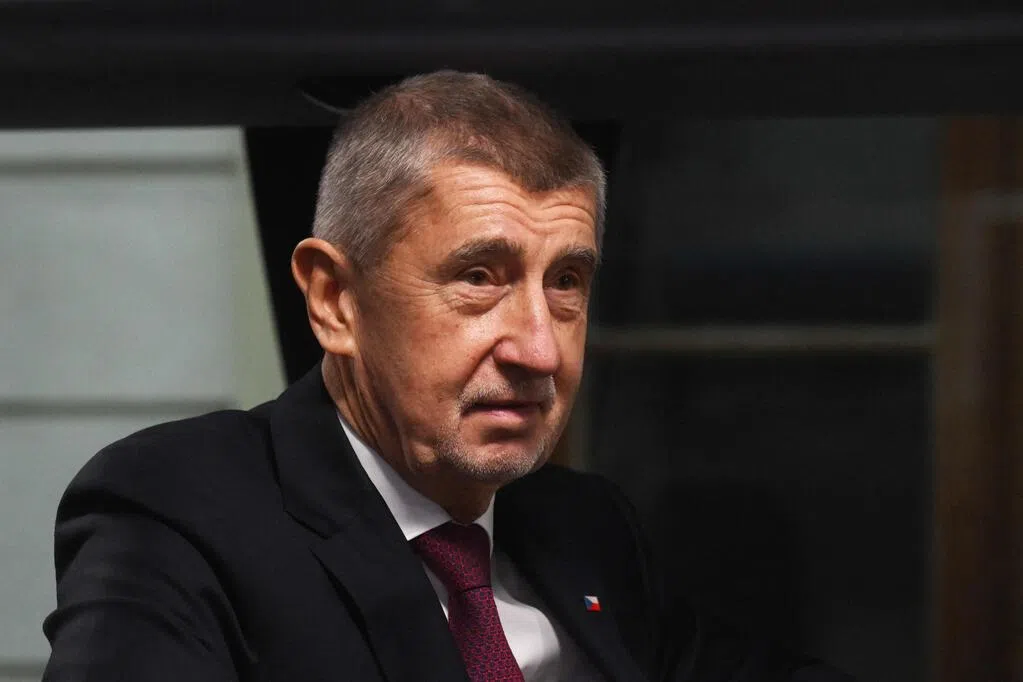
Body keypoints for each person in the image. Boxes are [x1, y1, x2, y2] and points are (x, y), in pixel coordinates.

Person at [42, 71, 851, 681]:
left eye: (565, 282)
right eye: (478, 277)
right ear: (334, 301)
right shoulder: (184, 507)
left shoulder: (583, 527)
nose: (538, 350)